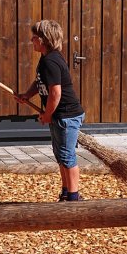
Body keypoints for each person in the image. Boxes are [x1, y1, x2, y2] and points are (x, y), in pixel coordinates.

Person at [17, 20, 86, 202]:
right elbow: (40, 82)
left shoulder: (51, 61)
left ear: (43, 40)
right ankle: (65, 192)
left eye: (33, 38)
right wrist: (27, 95)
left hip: (66, 116)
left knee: (67, 156)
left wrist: (47, 115)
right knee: (60, 155)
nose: (31, 41)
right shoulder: (45, 59)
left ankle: (73, 198)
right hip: (59, 115)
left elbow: (55, 93)